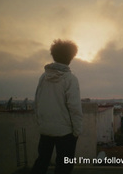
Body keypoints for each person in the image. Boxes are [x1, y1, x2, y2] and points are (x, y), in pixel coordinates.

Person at [30, 39, 83, 174]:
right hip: (65, 132)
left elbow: (37, 101)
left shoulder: (44, 77)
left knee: (42, 161)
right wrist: (77, 131)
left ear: (53, 55)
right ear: (71, 57)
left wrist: (40, 123)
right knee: (64, 166)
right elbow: (74, 108)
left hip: (45, 129)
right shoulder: (70, 79)